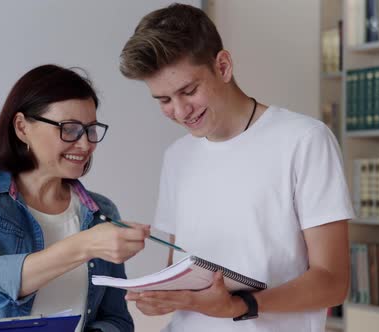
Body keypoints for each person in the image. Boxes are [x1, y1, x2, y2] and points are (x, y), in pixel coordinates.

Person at [119, 3, 354, 332]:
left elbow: (332, 282)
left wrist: (241, 305)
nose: (181, 110)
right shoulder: (177, 156)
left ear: (224, 66)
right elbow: (182, 272)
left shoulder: (304, 140)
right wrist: (162, 295)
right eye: (163, 100)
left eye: (189, 91)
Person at [0, 64, 149, 332]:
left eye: (91, 129)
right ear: (22, 127)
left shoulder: (102, 211)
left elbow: (116, 319)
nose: (85, 144)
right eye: (70, 129)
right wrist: (84, 245)